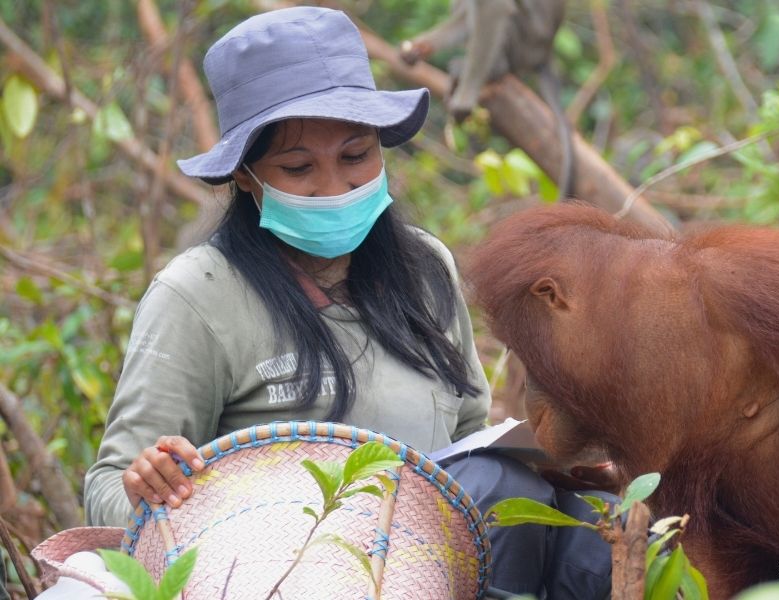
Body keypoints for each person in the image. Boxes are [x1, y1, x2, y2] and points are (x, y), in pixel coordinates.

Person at [80, 6, 613, 599]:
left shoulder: (424, 267)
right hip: (286, 571)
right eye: (298, 167)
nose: (335, 187)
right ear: (247, 177)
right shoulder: (199, 294)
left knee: (597, 529)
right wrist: (148, 483)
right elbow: (110, 487)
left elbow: (468, 432)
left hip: (444, 558)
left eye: (356, 157)